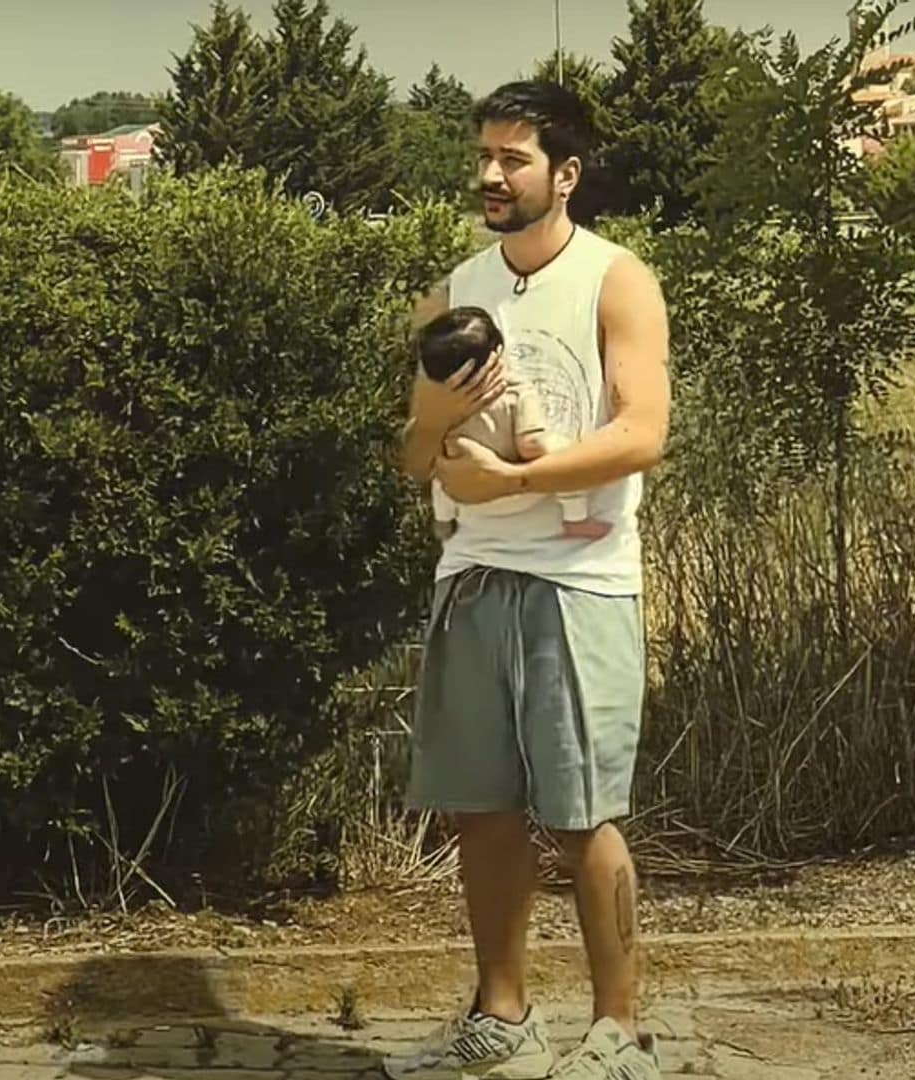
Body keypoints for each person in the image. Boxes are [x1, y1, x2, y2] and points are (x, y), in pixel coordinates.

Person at [385, 79, 670, 1080]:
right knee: (483, 810)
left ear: (567, 174)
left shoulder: (614, 280)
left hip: (578, 582)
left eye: (514, 159)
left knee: (584, 814)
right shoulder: (456, 291)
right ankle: (502, 1021)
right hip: (473, 576)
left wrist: (515, 479)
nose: (491, 175)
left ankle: (620, 1035)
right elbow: (414, 456)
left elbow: (643, 433)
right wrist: (434, 428)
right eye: (484, 157)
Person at [413, 305, 613, 542]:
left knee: (441, 465)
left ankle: (443, 521)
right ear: (498, 354)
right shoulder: (516, 391)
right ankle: (575, 518)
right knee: (565, 451)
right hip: (514, 494)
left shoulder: (443, 408)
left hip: (465, 497)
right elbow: (531, 445)